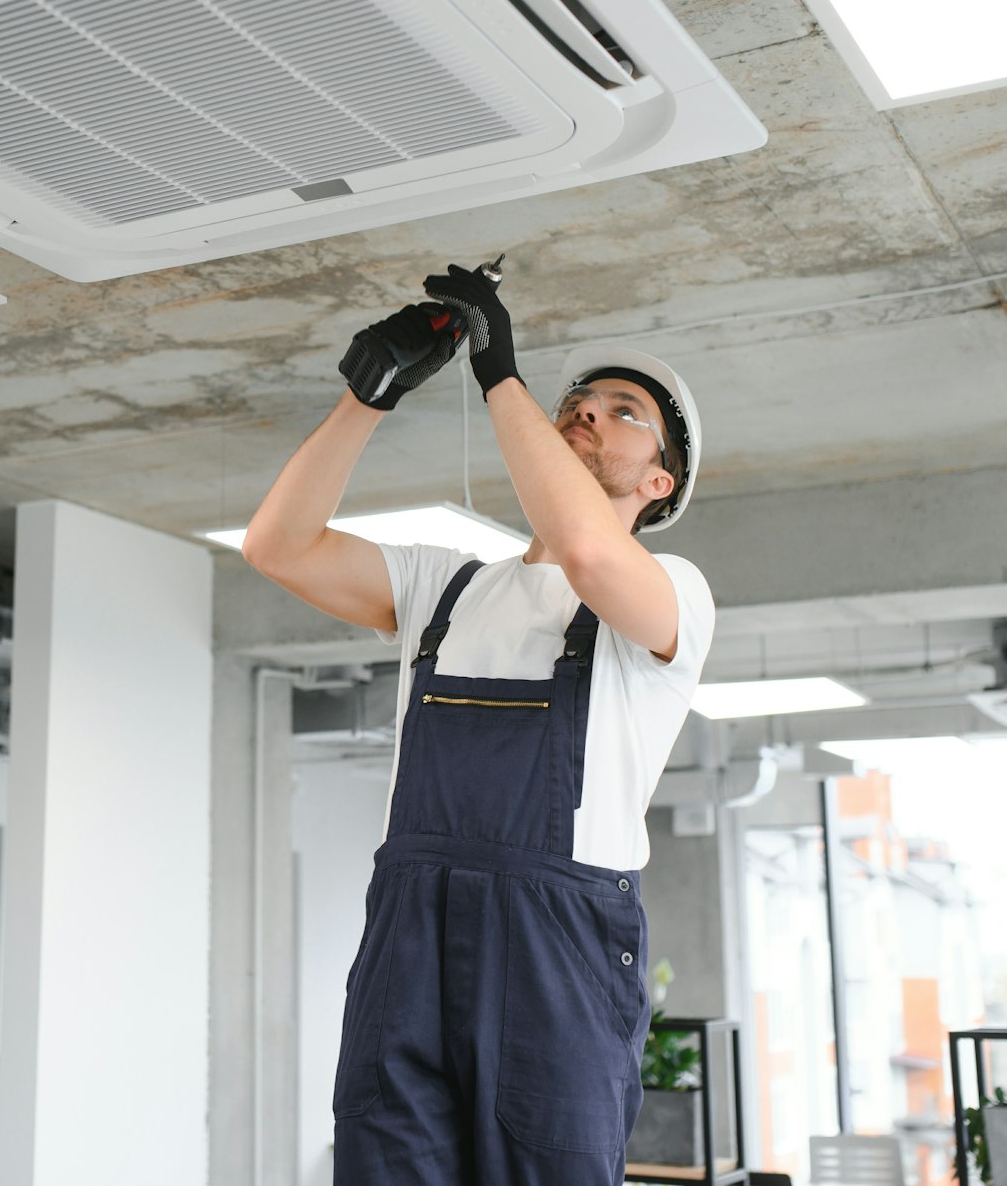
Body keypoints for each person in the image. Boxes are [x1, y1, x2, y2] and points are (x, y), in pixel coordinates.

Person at [242, 261, 715, 1185]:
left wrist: (502, 375)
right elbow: (277, 545)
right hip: (409, 925)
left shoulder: (673, 597)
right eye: (582, 396)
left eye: (626, 411)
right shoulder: (445, 588)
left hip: (557, 942)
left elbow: (584, 545)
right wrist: (365, 398)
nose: (589, 408)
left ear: (658, 482)